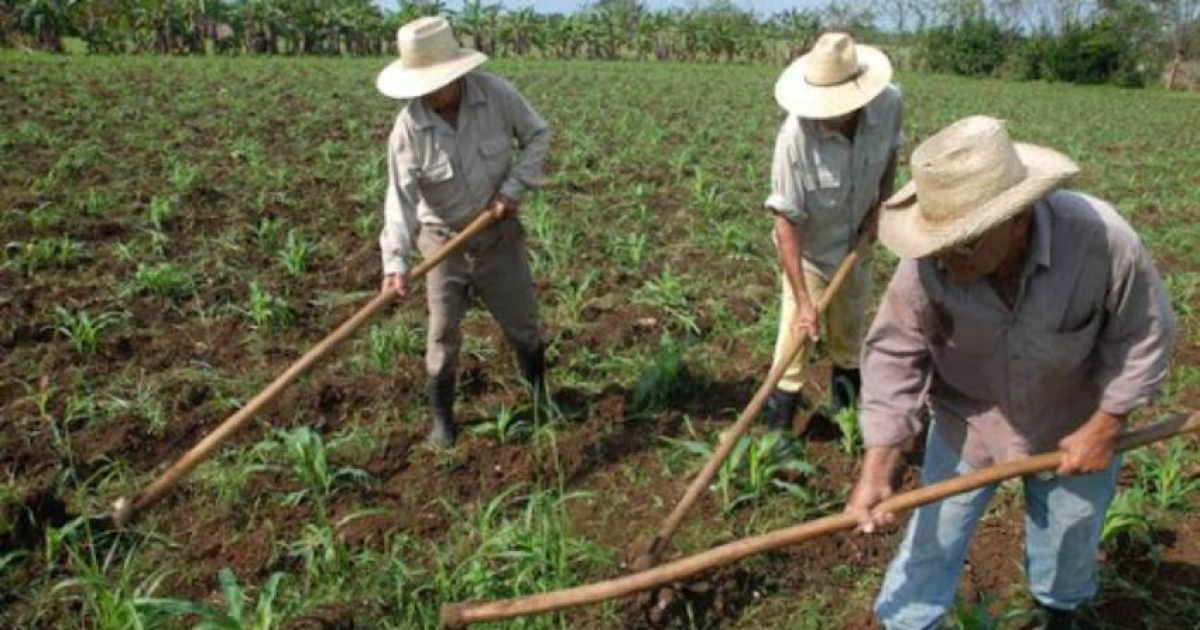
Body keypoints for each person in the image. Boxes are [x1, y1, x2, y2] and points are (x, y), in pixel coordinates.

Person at [847, 115, 1175, 630]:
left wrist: (1105, 426)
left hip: (1074, 426)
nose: (945, 259)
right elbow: (895, 357)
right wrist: (878, 464)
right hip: (968, 423)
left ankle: (1058, 613)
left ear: (1017, 219)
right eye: (940, 243)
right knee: (933, 539)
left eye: (964, 243)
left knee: (1069, 542)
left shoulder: (1102, 242)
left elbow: (1144, 335)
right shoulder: (928, 265)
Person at [376, 16, 551, 448]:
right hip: (442, 241)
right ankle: (442, 420)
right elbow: (399, 199)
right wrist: (395, 262)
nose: (428, 93)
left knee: (523, 323)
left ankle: (540, 395)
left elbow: (538, 135)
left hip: (497, 232)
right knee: (442, 334)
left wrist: (513, 189)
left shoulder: (497, 95)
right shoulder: (409, 127)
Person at [764, 32, 903, 429]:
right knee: (793, 344)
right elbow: (785, 222)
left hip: (857, 245)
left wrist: (882, 205)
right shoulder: (795, 138)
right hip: (808, 252)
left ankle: (844, 420)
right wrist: (805, 301)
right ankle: (777, 438)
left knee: (848, 335)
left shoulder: (889, 103)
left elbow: (892, 150)